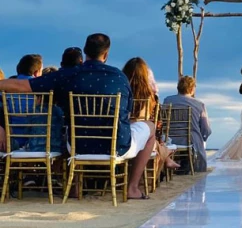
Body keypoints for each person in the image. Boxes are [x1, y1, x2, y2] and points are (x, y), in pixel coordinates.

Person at [0, 33, 156, 200]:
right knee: (151, 128)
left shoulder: (67, 75)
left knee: (67, 128)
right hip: (117, 146)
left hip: (78, 146)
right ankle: (132, 187)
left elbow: (21, 85)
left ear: (85, 51)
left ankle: (75, 187)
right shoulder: (119, 77)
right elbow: (127, 112)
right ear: (106, 54)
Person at [122, 57, 180, 172]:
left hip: (121, 134)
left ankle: (165, 154)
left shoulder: (121, 92)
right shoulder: (150, 97)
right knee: (154, 139)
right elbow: (156, 126)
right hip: (142, 139)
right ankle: (165, 154)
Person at [163, 76, 212, 172]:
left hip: (169, 139)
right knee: (197, 137)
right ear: (192, 88)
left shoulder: (167, 100)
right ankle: (188, 163)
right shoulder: (199, 104)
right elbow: (206, 129)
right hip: (190, 140)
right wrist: (203, 138)